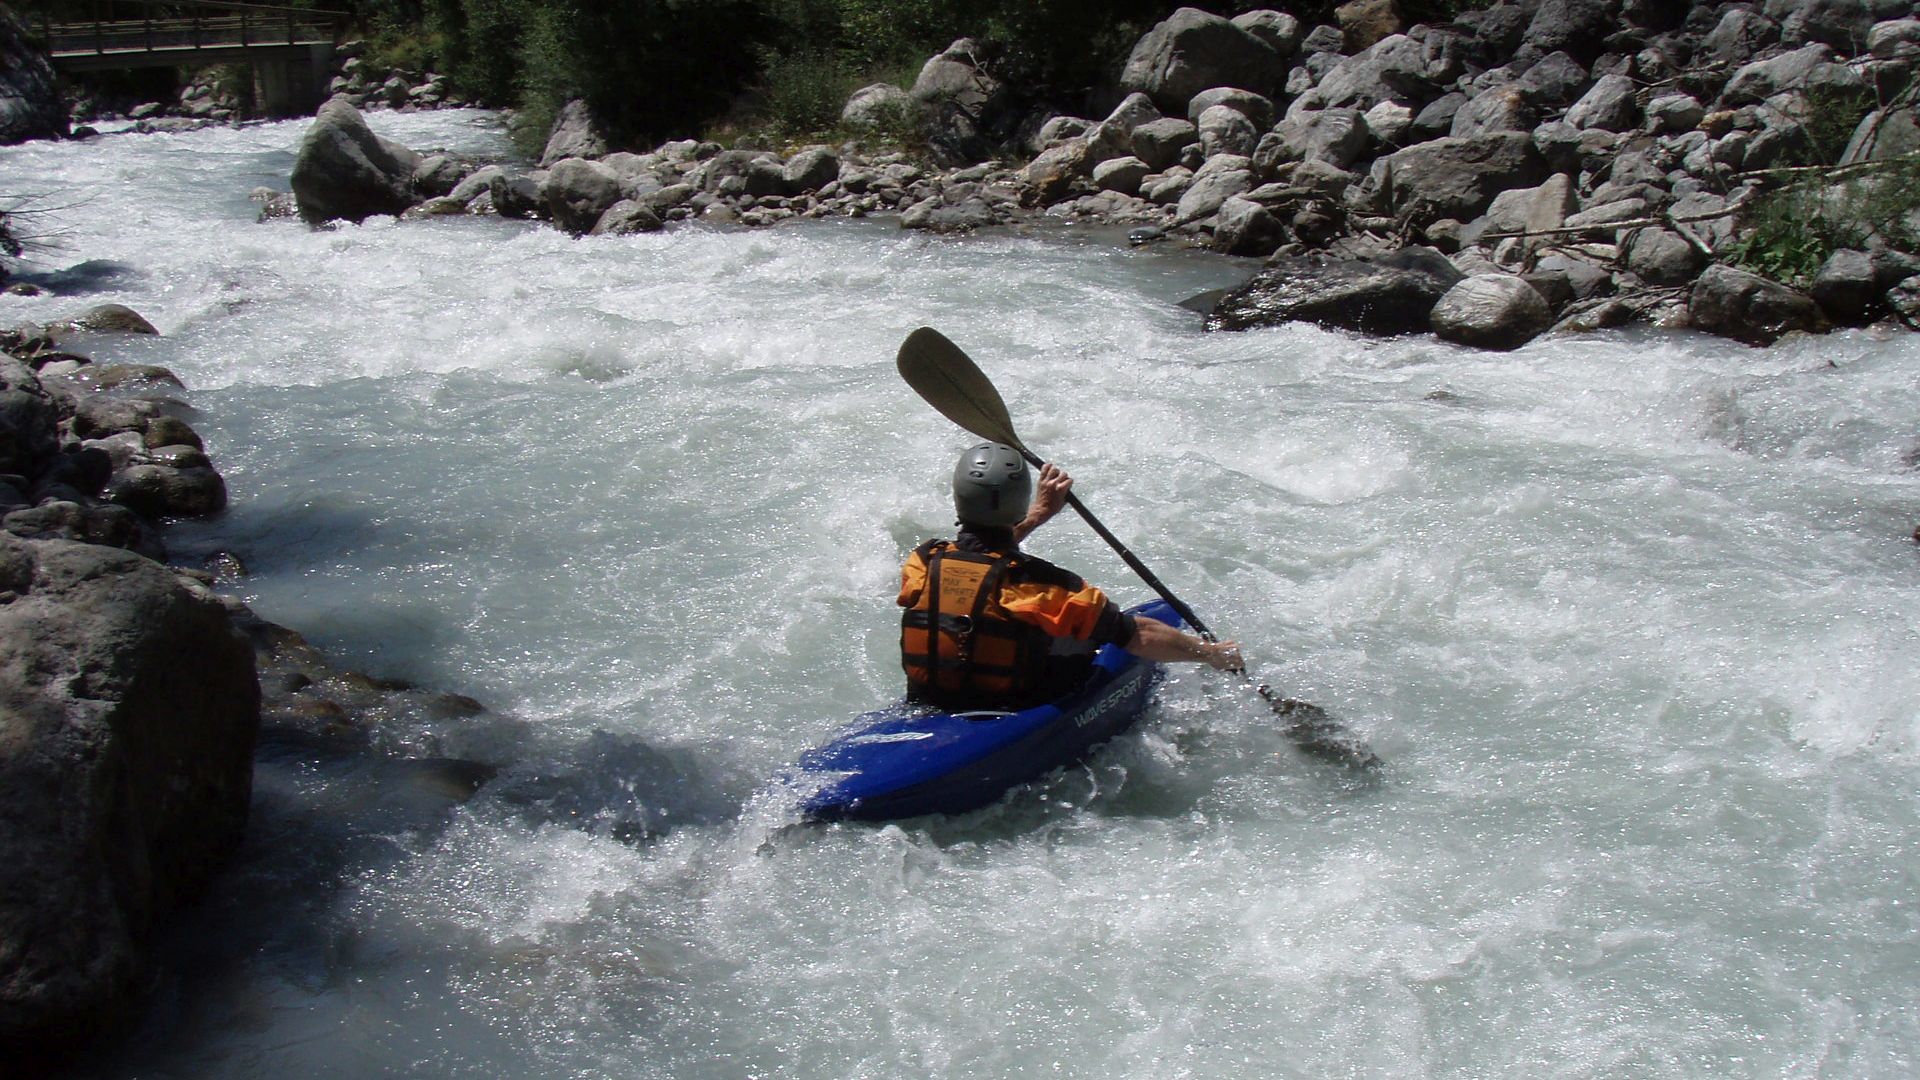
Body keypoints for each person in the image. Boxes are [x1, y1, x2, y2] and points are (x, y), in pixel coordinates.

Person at [898, 441, 1241, 710]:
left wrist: (1037, 516)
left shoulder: (923, 562)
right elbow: (1137, 635)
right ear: (1018, 503)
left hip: (930, 699)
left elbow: (981, 561)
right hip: (1009, 703)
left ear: (959, 498)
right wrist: (1212, 654)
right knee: (1096, 634)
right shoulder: (1043, 587)